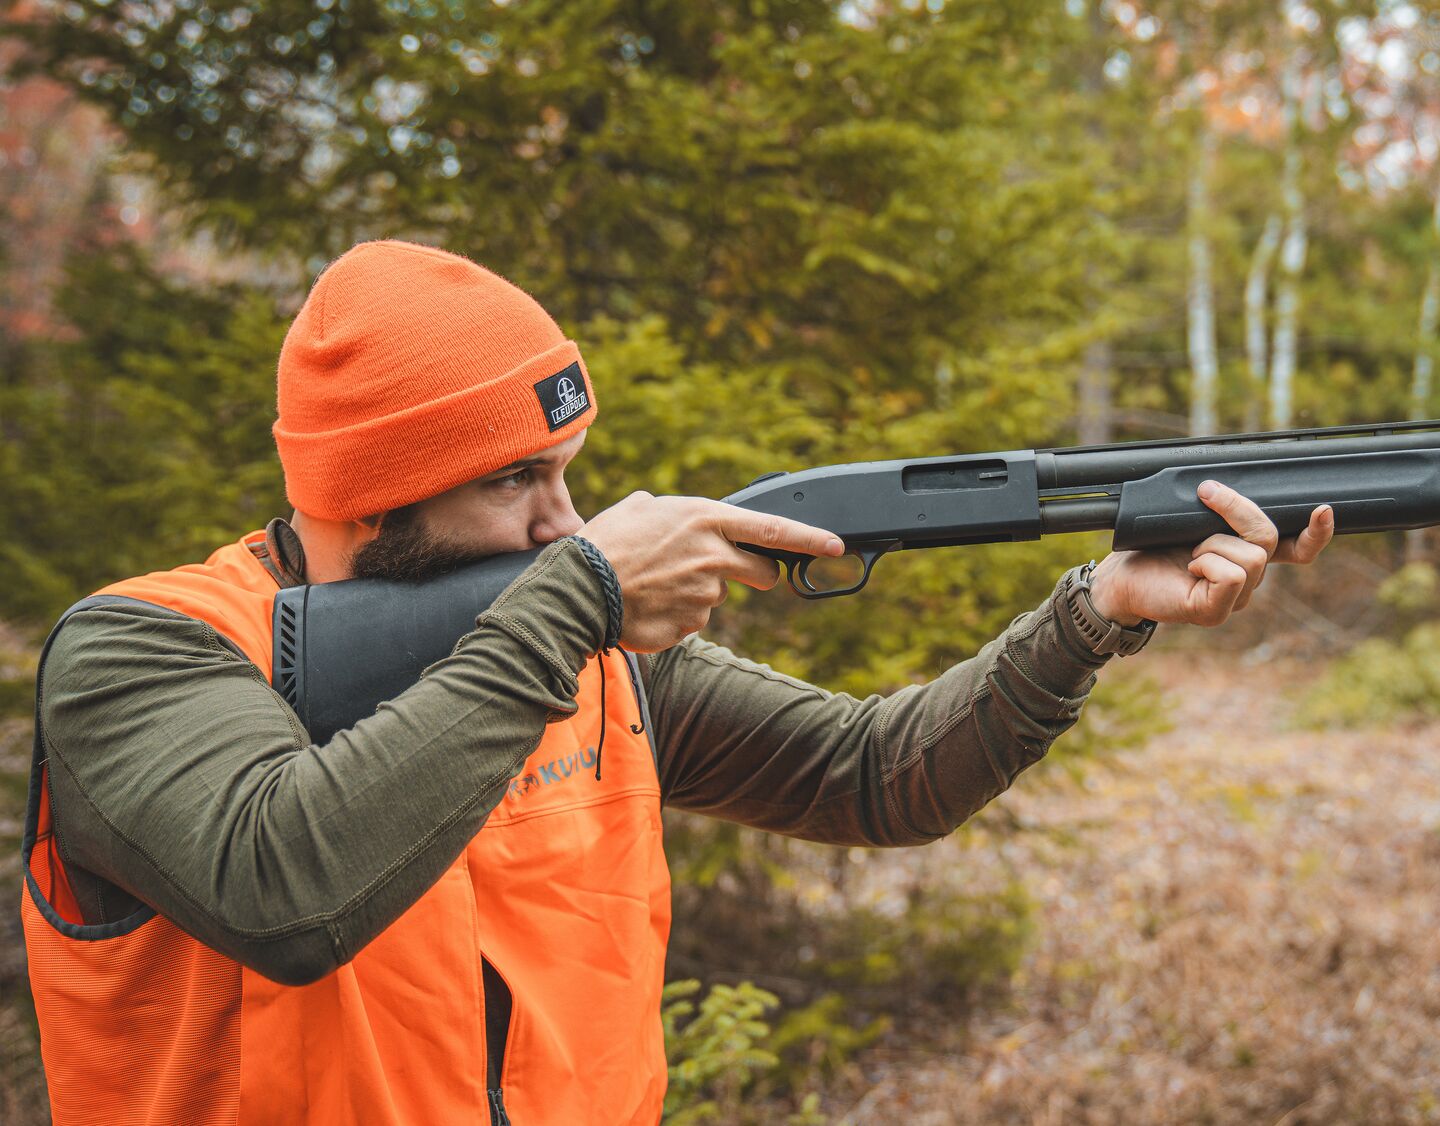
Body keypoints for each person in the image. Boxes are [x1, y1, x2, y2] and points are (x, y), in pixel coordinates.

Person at [21, 240, 1334, 1124]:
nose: (565, 519)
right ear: (370, 494)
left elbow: (875, 775)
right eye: (514, 480)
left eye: (572, 469)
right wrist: (581, 596)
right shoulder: (144, 652)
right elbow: (284, 883)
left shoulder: (585, 650)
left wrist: (1094, 608)